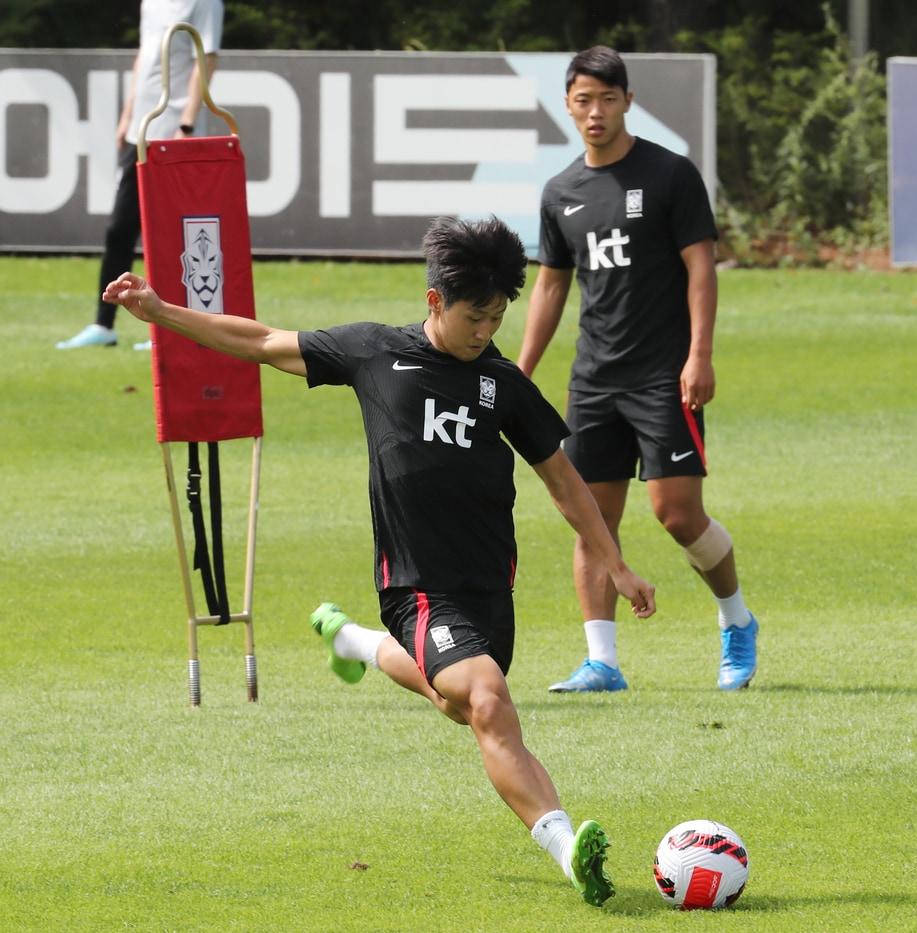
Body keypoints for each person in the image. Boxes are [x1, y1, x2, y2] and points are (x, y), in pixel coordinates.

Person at [102, 216, 654, 908]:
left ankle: (354, 640)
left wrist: (617, 564)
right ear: (434, 302)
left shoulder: (501, 384)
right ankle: (571, 851)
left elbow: (565, 482)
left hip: (488, 594)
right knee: (487, 700)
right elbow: (262, 341)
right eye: (474, 316)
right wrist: (159, 311)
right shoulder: (374, 354)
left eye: (497, 315)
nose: (486, 329)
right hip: (417, 588)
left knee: (460, 703)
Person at [519, 46, 758, 694]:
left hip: (664, 375)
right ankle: (603, 660)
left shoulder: (670, 175)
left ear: (627, 101)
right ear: (568, 106)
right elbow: (549, 288)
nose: (594, 113)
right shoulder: (561, 192)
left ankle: (736, 619)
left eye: (606, 99)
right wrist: (521, 369)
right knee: (591, 515)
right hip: (594, 376)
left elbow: (701, 268)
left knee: (677, 513)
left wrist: (699, 353)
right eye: (582, 101)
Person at [59, 0, 225, 351]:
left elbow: (206, 59)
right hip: (141, 133)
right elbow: (145, 55)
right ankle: (103, 325)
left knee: (172, 236)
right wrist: (128, 113)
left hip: (176, 133)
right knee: (120, 229)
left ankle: (175, 328)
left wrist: (187, 125)